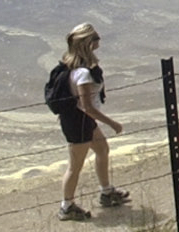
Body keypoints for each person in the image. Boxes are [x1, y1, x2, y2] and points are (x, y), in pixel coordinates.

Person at [55, 22, 130, 221]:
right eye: (96, 37)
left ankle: (106, 191)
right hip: (78, 122)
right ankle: (67, 206)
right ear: (87, 43)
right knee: (75, 166)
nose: (99, 40)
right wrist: (112, 123)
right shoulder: (83, 73)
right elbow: (86, 107)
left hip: (82, 120)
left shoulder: (77, 66)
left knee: (102, 150)